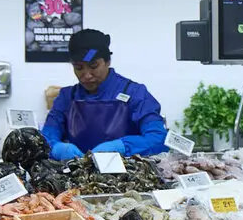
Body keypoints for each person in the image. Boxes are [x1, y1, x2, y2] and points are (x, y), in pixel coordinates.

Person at [41, 29, 169, 160]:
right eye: (79, 68)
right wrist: (55, 147)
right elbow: (46, 136)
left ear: (108, 61)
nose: (87, 75)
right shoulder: (67, 97)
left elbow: (158, 138)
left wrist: (123, 147)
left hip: (126, 173)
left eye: (93, 66)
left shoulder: (134, 93)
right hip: (77, 171)